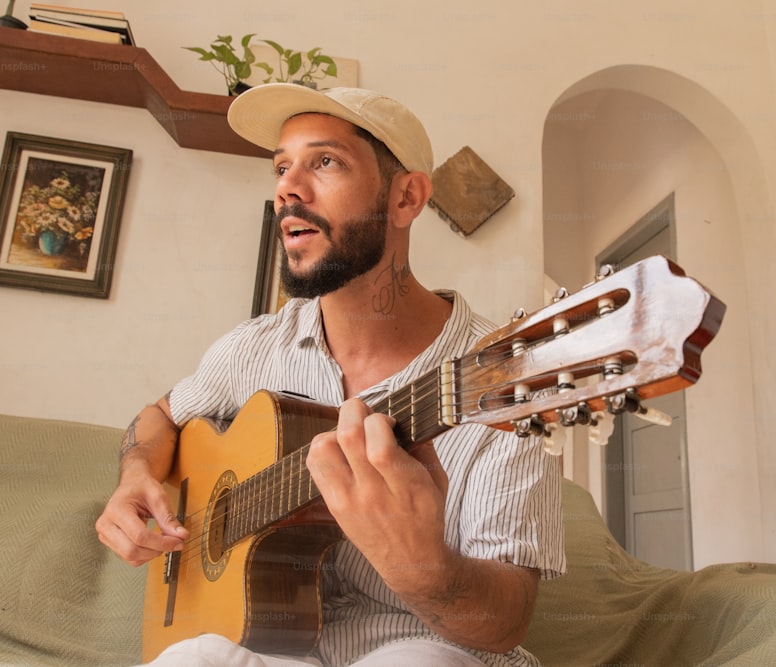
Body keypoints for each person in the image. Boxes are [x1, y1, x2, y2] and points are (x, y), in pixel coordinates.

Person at [95, 83, 565, 667]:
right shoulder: (254, 347)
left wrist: (423, 564)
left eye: (325, 162)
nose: (288, 187)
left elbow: (504, 623)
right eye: (281, 167)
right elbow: (161, 416)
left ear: (406, 198)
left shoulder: (502, 376)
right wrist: (135, 473)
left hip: (426, 649)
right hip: (267, 644)